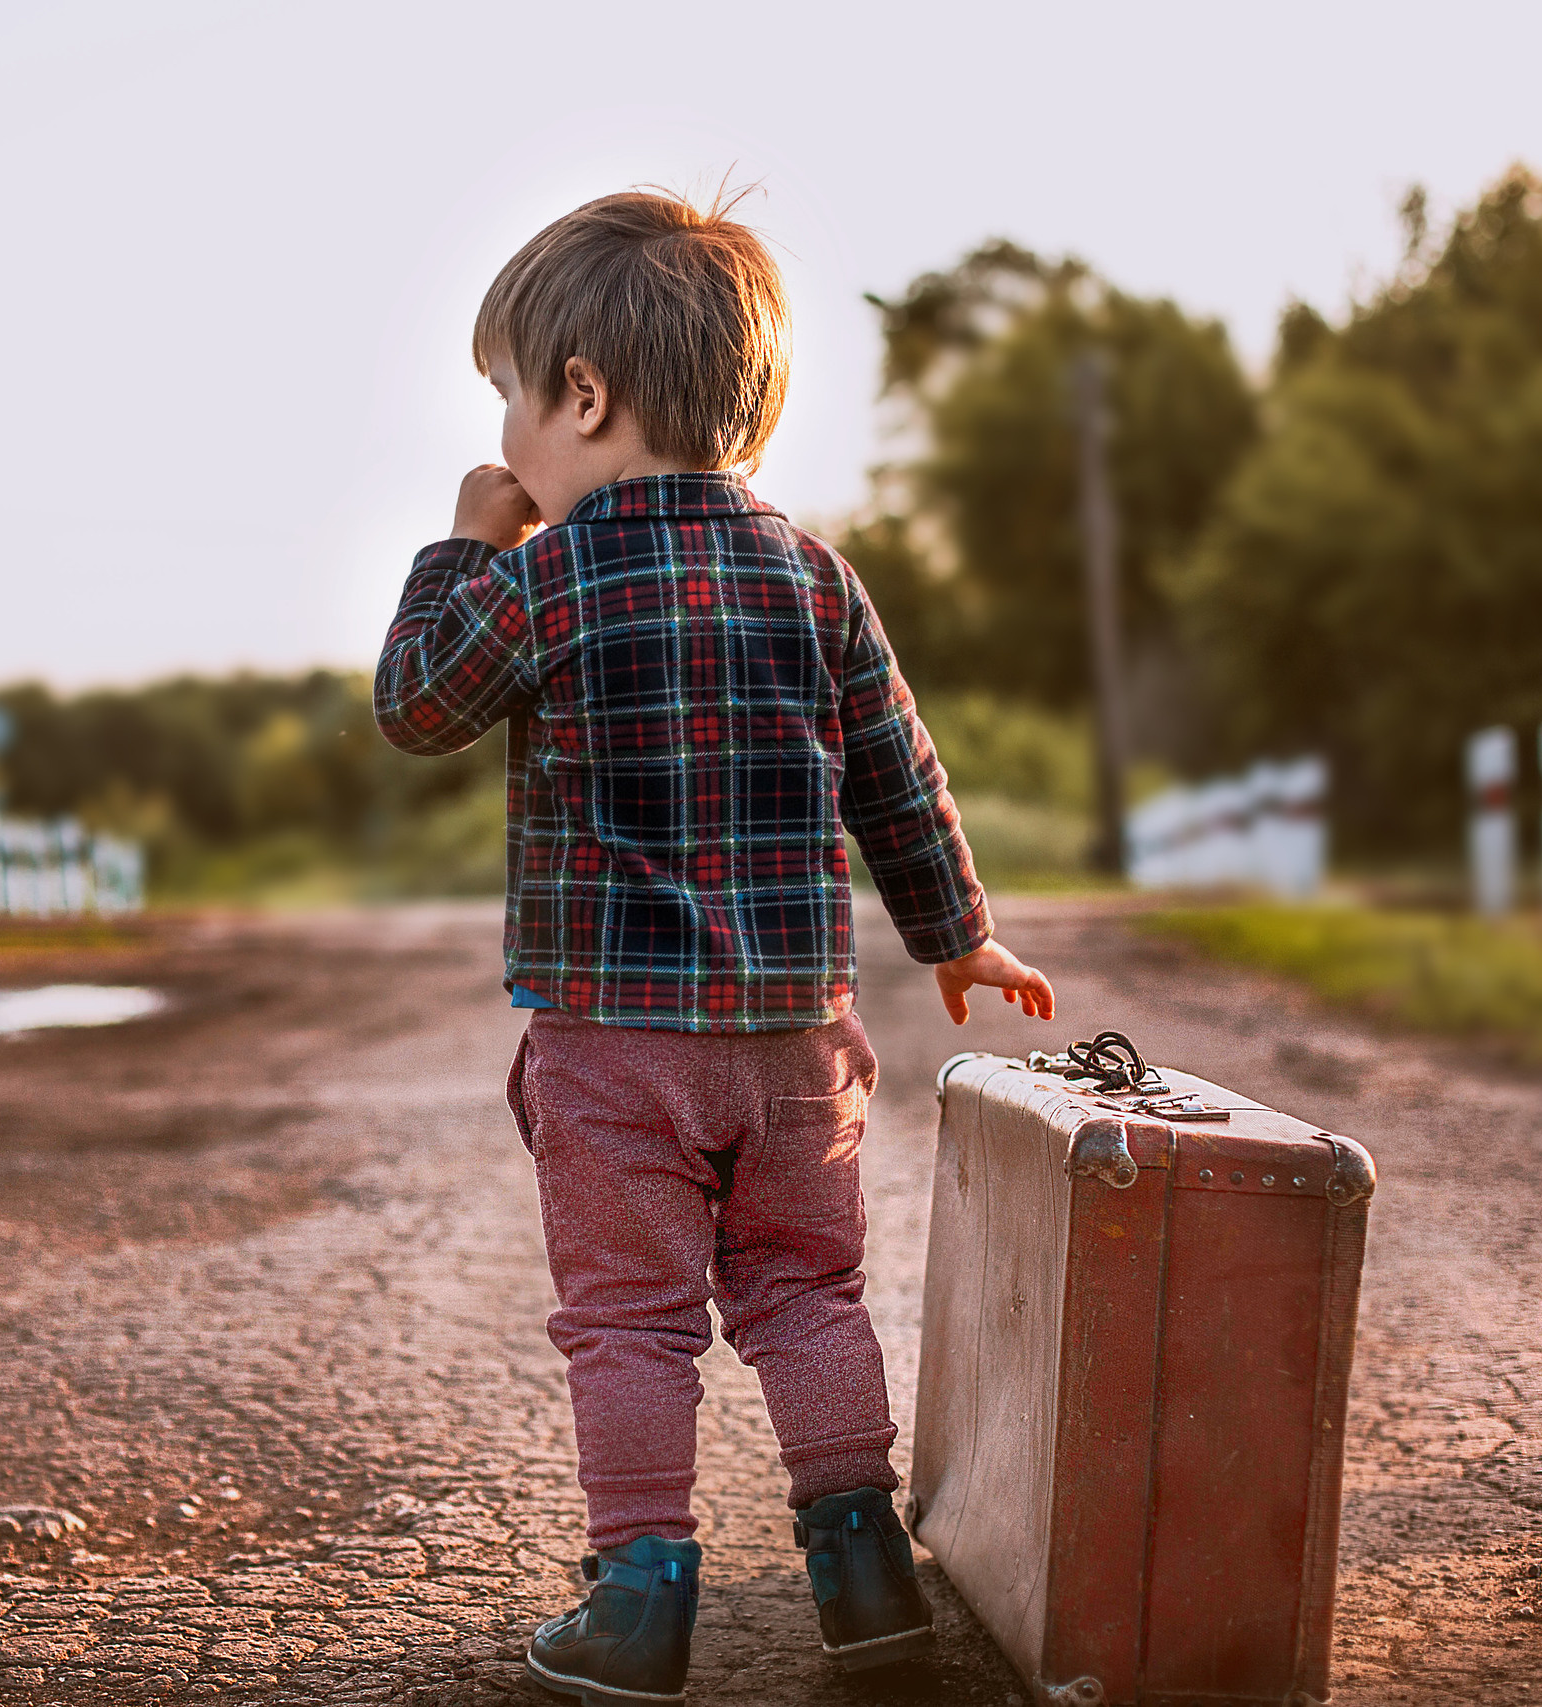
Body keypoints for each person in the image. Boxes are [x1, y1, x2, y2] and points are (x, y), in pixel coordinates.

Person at [373, 188, 1056, 1707]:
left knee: (629, 1320)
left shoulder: (541, 578)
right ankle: (864, 1572)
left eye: (511, 402)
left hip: (615, 1051)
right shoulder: (817, 579)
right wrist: (962, 941)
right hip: (797, 1045)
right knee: (806, 1296)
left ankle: (640, 1598)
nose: (507, 443)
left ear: (586, 399)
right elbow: (897, 770)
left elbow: (417, 704)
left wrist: (459, 549)